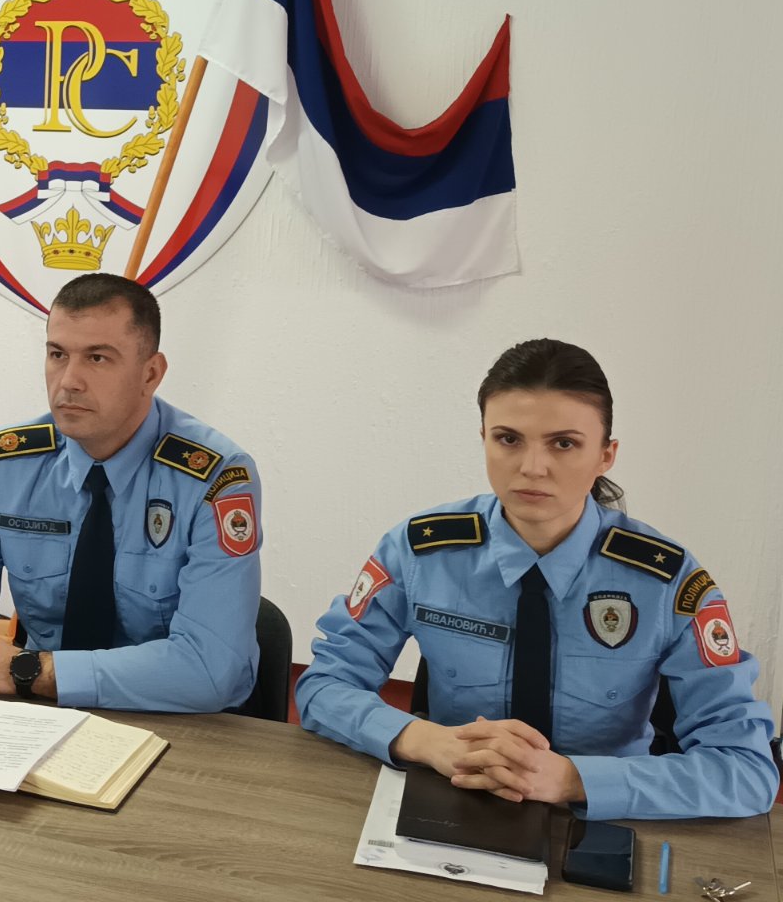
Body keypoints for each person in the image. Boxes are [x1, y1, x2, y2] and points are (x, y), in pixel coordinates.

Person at [296, 338, 778, 821]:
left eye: (564, 443)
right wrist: (425, 741)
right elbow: (324, 686)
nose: (531, 468)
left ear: (606, 455)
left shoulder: (667, 581)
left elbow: (747, 770)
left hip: (603, 814)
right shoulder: (421, 551)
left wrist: (572, 779)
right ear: (483, 437)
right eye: (508, 439)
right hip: (454, 798)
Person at [0, 273, 262, 733]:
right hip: (38, 718)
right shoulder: (5, 463)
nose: (69, 381)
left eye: (97, 358)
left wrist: (29, 670)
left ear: (150, 373)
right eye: (57, 354)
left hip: (175, 725)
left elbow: (210, 668)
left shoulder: (215, 478)